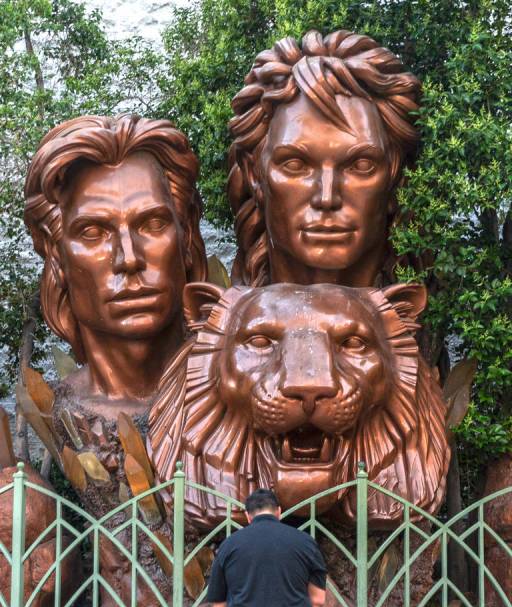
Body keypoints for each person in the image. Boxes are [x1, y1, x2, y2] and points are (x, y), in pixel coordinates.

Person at [24, 113, 207, 419]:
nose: (130, 258)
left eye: (153, 224)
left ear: (186, 235)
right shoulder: (57, 412)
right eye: (93, 233)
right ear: (57, 255)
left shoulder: (245, 390)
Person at [228, 29, 421, 288]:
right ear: (255, 175)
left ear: (395, 176)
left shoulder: (429, 316)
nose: (327, 198)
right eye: (295, 165)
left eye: (361, 166)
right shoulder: (219, 323)